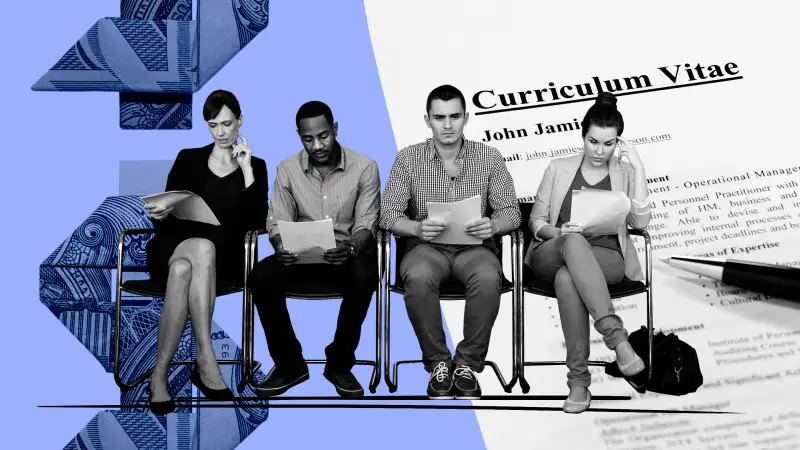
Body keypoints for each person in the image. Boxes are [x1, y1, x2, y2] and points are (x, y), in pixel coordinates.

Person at [379, 84, 521, 400]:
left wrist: (493, 224)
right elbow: (387, 214)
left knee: (488, 278)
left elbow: (512, 212)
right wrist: (416, 228)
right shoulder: (409, 159)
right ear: (427, 119)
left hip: (474, 248)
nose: (447, 125)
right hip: (426, 248)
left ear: (466, 117)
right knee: (417, 277)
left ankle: (467, 364)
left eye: (454, 116)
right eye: (439, 117)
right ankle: (440, 364)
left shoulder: (489, 157)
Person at [143, 90, 269, 414]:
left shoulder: (257, 166)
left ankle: (158, 377)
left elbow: (257, 223)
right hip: (176, 245)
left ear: (240, 121)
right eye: (214, 125)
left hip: (223, 261)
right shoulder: (188, 158)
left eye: (227, 124)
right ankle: (205, 357)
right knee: (198, 248)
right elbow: (169, 211)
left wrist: (247, 171)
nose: (222, 133)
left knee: (183, 271)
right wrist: (162, 211)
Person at [524, 92, 649, 413]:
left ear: (617, 142)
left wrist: (639, 168)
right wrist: (559, 232)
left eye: (609, 144)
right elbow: (535, 221)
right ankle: (618, 341)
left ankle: (578, 384)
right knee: (574, 244)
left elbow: (640, 221)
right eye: (593, 141)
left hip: (606, 259)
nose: (599, 150)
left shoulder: (625, 171)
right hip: (553, 251)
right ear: (583, 136)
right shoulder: (559, 168)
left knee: (569, 280)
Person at [248, 101, 381, 399]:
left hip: (346, 255)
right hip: (301, 257)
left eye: (323, 136)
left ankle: (339, 364)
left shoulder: (365, 167)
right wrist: (280, 245)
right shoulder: (287, 169)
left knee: (365, 274)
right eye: (308, 139)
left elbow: (367, 223)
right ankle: (289, 364)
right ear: (299, 136)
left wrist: (351, 246)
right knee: (260, 275)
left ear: (335, 129)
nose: (317, 145)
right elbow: (278, 221)